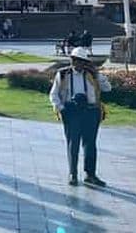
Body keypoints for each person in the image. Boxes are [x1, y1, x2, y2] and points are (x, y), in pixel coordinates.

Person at [49, 47, 111, 187]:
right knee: (73, 143)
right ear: (72, 60)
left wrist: (97, 74)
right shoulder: (63, 74)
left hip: (90, 111)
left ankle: (90, 174)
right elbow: (54, 94)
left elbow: (108, 88)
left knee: (90, 144)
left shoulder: (92, 75)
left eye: (82, 61)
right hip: (71, 111)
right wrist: (61, 108)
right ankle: (73, 174)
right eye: (75, 60)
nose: (78, 64)